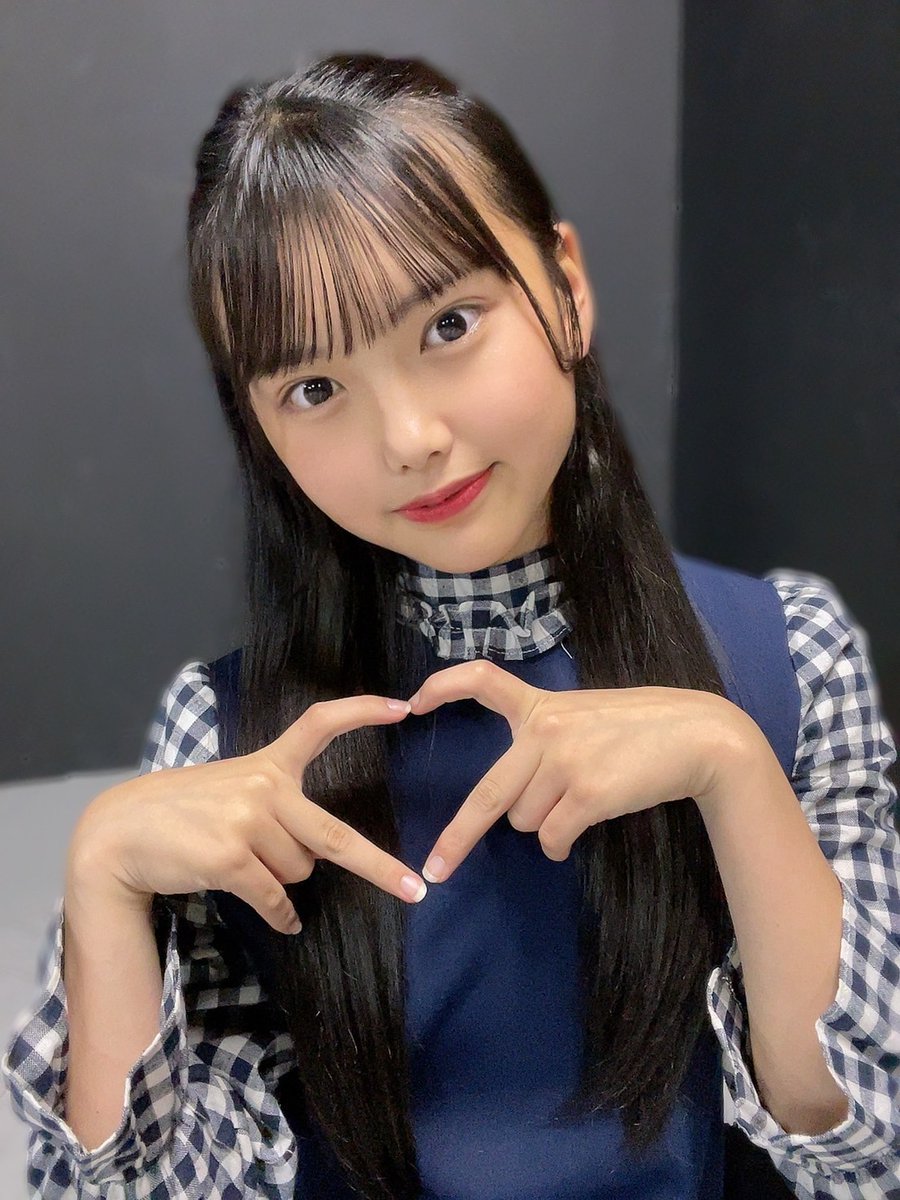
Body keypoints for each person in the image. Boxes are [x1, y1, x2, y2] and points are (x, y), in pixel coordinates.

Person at [2, 52, 898, 1200]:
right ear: (259, 428)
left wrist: (732, 768)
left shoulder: (789, 656)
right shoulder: (221, 735)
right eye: (314, 389)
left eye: (449, 324)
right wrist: (106, 879)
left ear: (565, 288)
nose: (410, 439)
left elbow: (861, 1152)